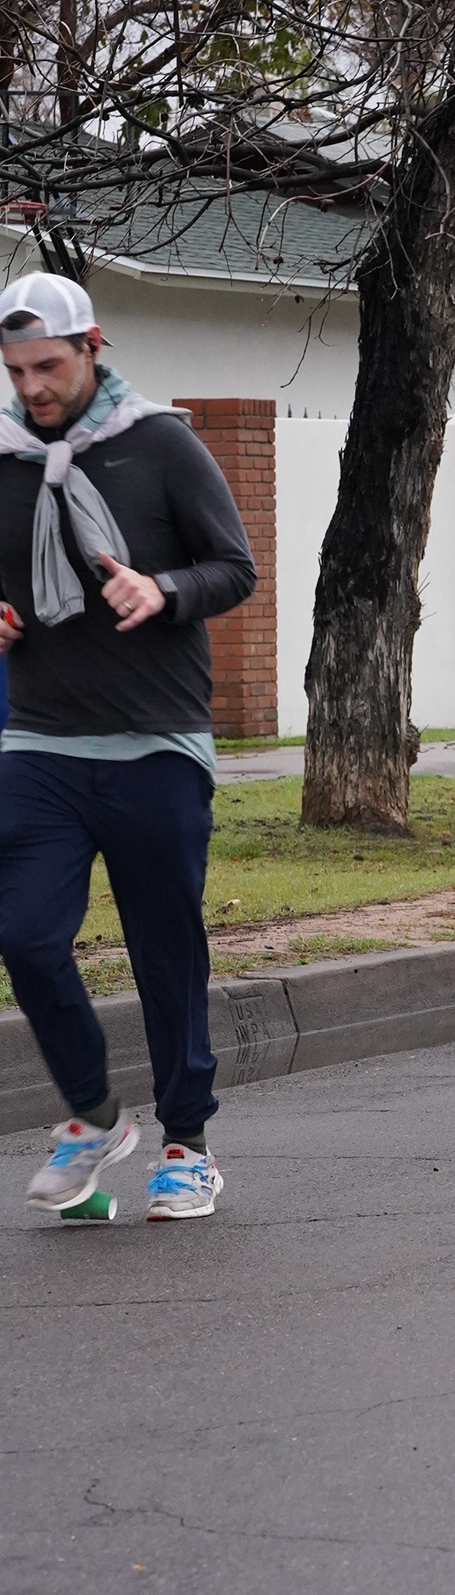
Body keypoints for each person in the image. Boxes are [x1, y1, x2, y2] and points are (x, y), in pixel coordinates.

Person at [0, 273, 256, 1220]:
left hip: (156, 742)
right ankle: (94, 1115)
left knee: (165, 952)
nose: (33, 387)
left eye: (48, 366)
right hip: (42, 740)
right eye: (16, 370)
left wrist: (164, 589)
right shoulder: (4, 458)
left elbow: (234, 568)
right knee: (25, 935)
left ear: (92, 347)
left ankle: (188, 1143)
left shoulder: (161, 444)